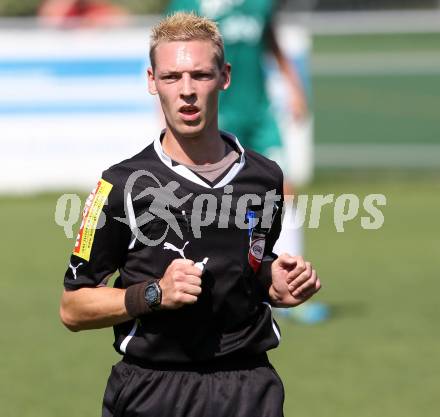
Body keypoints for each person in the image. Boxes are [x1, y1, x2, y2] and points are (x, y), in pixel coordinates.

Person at [60, 12, 321, 417]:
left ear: (225, 76)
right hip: (152, 390)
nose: (186, 91)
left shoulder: (264, 177)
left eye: (200, 75)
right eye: (171, 77)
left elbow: (249, 271)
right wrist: (154, 294)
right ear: (152, 81)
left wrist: (276, 283)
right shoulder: (119, 186)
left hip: (248, 387)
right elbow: (73, 308)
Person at [166, 0, 307, 259]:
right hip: (215, 118)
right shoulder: (187, 5)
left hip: (259, 114)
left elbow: (272, 44)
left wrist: (294, 88)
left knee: (283, 188)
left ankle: (291, 276)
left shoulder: (259, 4)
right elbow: (171, 59)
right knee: (215, 198)